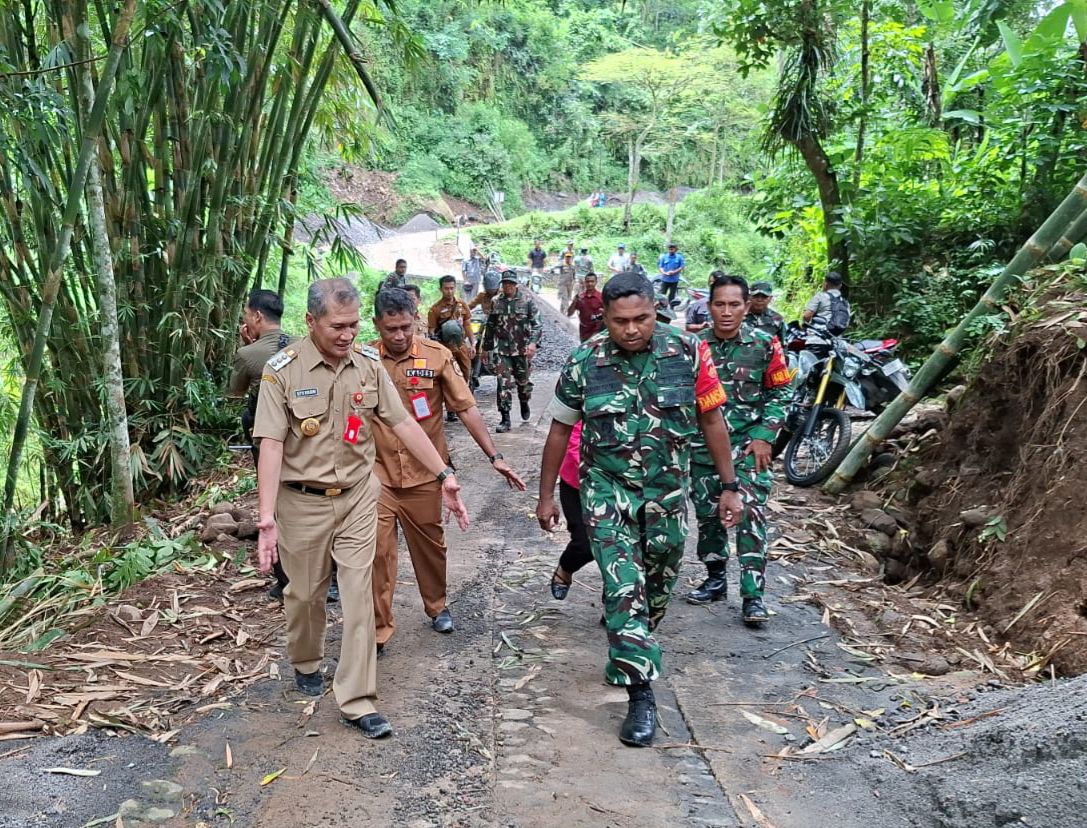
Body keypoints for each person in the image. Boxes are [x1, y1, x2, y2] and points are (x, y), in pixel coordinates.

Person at [253, 278, 469, 739]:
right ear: (311, 322)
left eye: (353, 325)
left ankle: (357, 698)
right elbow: (270, 444)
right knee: (306, 594)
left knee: (359, 595)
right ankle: (306, 659)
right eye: (338, 326)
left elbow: (403, 423)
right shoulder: (282, 371)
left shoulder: (368, 365)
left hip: (357, 498)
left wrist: (442, 474)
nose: (348, 335)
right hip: (301, 503)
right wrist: (266, 517)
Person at [536, 271, 743, 748]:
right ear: (603, 317)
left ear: (656, 310)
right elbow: (558, 432)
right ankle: (641, 693)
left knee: (659, 581)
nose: (631, 329)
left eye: (641, 319)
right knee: (623, 586)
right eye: (620, 321)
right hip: (607, 491)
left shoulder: (689, 353)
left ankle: (634, 645)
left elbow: (712, 419)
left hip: (668, 493)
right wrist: (547, 496)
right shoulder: (585, 361)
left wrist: (729, 486)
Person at [370, 288, 525, 649]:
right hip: (376, 475)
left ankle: (437, 605)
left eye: (405, 327)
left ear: (416, 321)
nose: (398, 336)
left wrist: (494, 456)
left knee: (430, 546)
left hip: (427, 473)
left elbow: (466, 408)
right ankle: (378, 629)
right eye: (389, 328)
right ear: (376, 324)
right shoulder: (363, 361)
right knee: (377, 551)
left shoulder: (437, 356)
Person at [686, 275, 791, 625]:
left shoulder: (765, 344)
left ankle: (753, 595)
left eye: (734, 304)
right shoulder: (692, 346)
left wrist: (765, 434)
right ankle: (715, 577)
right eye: (719, 304)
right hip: (702, 450)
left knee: (750, 516)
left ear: (747, 306)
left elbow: (782, 393)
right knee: (708, 516)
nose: (727, 312)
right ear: (709, 306)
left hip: (749, 448)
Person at [227, 289, 295, 600]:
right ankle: (329, 578)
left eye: (245, 316)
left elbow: (235, 393)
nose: (245, 322)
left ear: (256, 317)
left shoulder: (248, 355)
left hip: (267, 439)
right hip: (306, 437)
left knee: (276, 507)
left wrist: (247, 349)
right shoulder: (303, 345)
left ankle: (286, 579)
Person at [482, 271, 543, 433]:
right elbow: (490, 326)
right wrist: (486, 349)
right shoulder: (496, 302)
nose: (507, 286)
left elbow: (537, 325)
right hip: (502, 351)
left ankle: (524, 401)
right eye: (505, 283)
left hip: (522, 350)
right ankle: (505, 418)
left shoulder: (527, 301)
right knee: (503, 384)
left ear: (516, 284)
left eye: (510, 283)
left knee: (523, 383)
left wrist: (533, 344)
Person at [547, 422, 591, 601]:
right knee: (585, 543)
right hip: (578, 479)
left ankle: (614, 603)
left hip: (631, 483)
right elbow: (563, 433)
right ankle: (565, 568)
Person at [427, 275, 476, 416]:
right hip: (445, 347)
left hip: (461, 346)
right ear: (441, 289)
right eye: (446, 288)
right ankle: (451, 408)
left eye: (452, 288)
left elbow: (467, 325)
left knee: (465, 373)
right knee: (448, 377)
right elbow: (431, 330)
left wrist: (472, 344)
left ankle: (462, 401)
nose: (449, 291)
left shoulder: (461, 305)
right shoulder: (435, 309)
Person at [746, 281, 788, 345]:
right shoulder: (739, 316)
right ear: (749, 297)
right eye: (756, 296)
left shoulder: (777, 319)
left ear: (770, 298)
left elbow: (783, 345)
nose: (759, 299)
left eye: (764, 296)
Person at [566, 272, 604, 341]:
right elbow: (569, 313)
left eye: (592, 281)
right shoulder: (580, 297)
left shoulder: (601, 297)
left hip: (597, 332)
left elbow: (608, 314)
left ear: (596, 282)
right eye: (587, 282)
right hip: (584, 331)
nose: (590, 284)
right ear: (584, 282)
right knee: (584, 350)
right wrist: (574, 302)